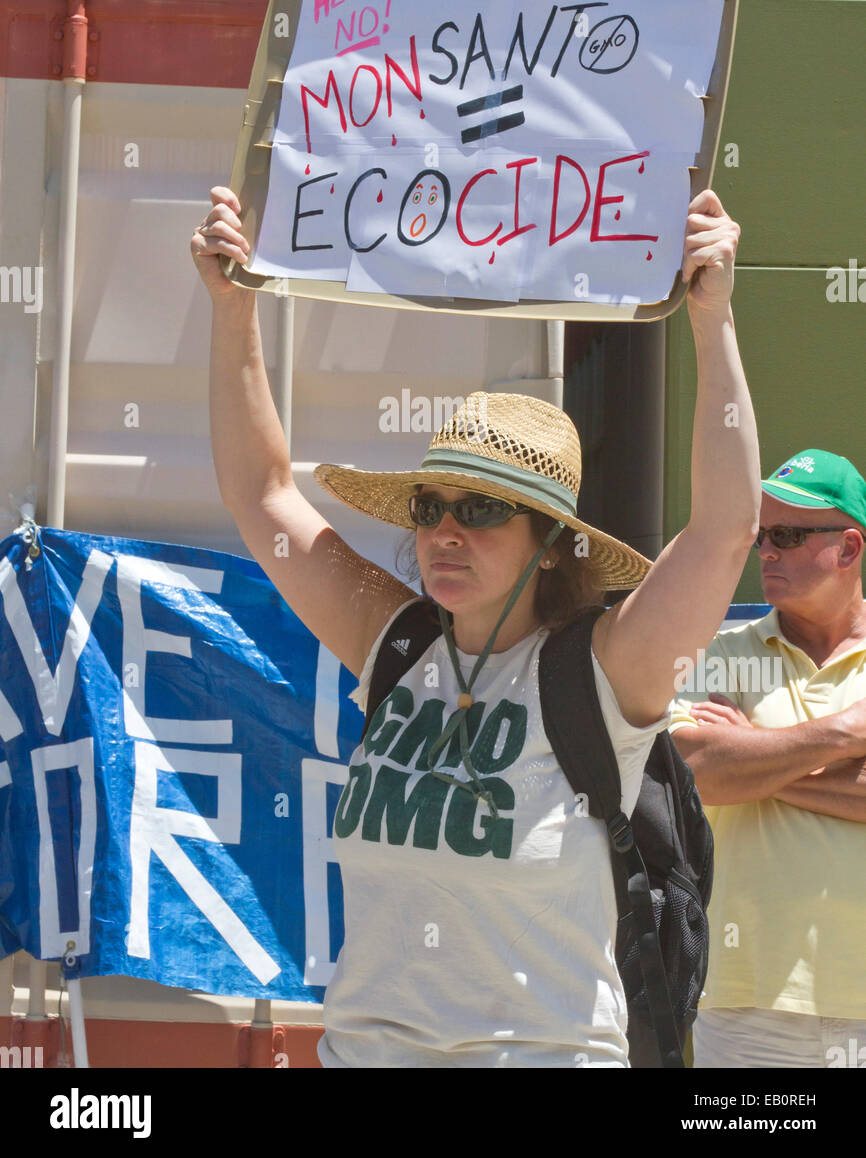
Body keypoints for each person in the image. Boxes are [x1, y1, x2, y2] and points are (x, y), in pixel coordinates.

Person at [191, 183, 759, 1068]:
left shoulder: (602, 675)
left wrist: (712, 319)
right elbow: (262, 493)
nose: (446, 531)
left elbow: (726, 533)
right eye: (431, 504)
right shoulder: (400, 644)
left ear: (553, 546)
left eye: (485, 508)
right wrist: (233, 304)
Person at [670, 450, 866, 1069]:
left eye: (787, 534)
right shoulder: (713, 651)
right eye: (761, 537)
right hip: (747, 1000)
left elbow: (725, 771)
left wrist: (755, 760)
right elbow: (693, 772)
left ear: (850, 548)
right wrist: (846, 731)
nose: (767, 552)